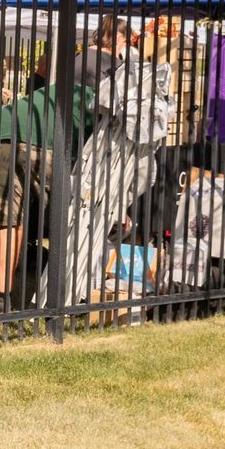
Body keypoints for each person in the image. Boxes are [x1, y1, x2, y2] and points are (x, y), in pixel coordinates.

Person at [59, 17, 173, 308]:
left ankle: (81, 284)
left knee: (82, 217)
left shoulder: (80, 57)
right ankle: (82, 287)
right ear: (119, 38)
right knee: (93, 216)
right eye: (127, 39)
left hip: (81, 141)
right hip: (103, 149)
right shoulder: (111, 66)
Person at [0, 75, 98, 309]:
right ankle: (61, 298)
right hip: (39, 142)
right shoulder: (95, 101)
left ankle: (1, 296)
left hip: (1, 135)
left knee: (8, 218)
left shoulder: (57, 91)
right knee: (67, 218)